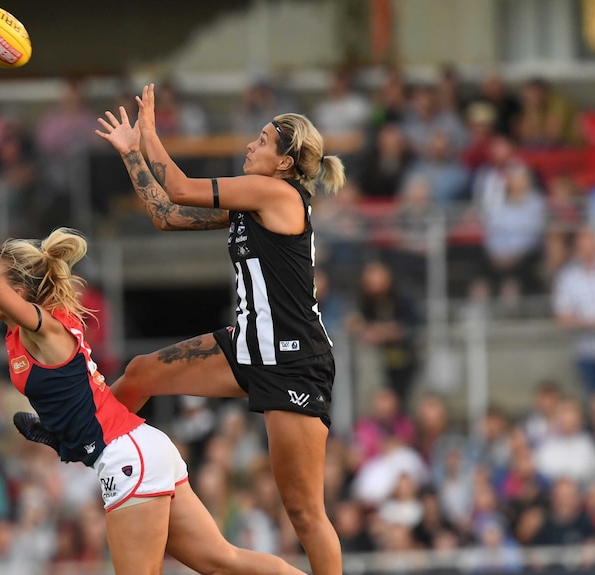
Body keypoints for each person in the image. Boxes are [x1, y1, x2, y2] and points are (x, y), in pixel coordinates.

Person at [0, 135, 305, 575]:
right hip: (145, 447)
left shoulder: (42, 328)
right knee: (222, 561)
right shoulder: (26, 324)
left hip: (126, 456)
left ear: (18, 293)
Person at [93, 84, 345, 575]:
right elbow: (167, 215)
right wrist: (131, 154)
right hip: (249, 344)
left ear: (284, 165)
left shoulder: (273, 192)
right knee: (141, 371)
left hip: (293, 361)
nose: (252, 145)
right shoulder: (252, 200)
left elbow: (182, 187)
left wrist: (149, 134)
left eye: (263, 141)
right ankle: (80, 433)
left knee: (304, 511)